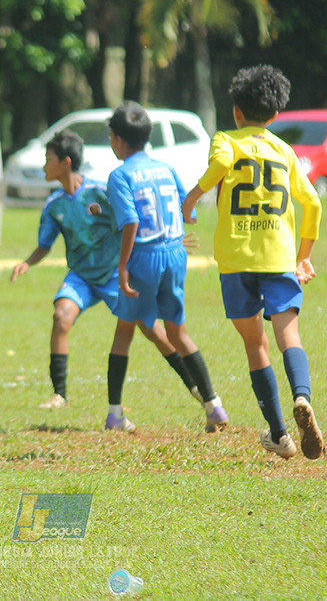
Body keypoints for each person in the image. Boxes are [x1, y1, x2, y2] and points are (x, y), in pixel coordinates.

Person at [181, 65, 324, 461]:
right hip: (278, 257)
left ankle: (280, 434)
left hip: (236, 258)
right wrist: (305, 256)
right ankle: (302, 396)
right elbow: (312, 201)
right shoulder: (284, 150)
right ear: (275, 114)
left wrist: (194, 196)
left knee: (253, 344)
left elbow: (223, 165)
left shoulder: (225, 139)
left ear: (237, 112)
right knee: (287, 338)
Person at [11, 129, 206, 411]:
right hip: (81, 277)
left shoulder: (101, 191)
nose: (44, 165)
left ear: (65, 162)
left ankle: (197, 389)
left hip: (117, 275)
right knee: (61, 316)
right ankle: (59, 395)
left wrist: (168, 241)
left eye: (47, 158)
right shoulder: (53, 206)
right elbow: (45, 245)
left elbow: (135, 220)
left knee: (154, 332)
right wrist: (27, 262)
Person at [104, 101, 229, 433]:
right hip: (174, 253)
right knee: (178, 332)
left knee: (124, 331)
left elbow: (130, 221)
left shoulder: (119, 176)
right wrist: (173, 238)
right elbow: (187, 211)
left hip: (143, 257)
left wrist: (122, 266)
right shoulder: (166, 168)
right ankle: (214, 406)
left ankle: (115, 414)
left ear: (117, 139)